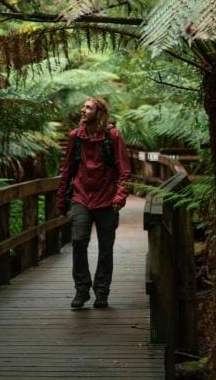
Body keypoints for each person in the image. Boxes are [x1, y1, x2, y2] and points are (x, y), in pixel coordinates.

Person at [56, 97, 131, 309]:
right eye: (83, 107)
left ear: (98, 112)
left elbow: (124, 171)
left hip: (107, 200)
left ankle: (101, 292)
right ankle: (81, 290)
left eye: (88, 107)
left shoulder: (113, 137)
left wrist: (120, 196)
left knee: (106, 248)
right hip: (81, 197)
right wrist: (61, 198)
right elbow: (67, 170)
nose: (83, 110)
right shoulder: (76, 137)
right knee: (79, 241)